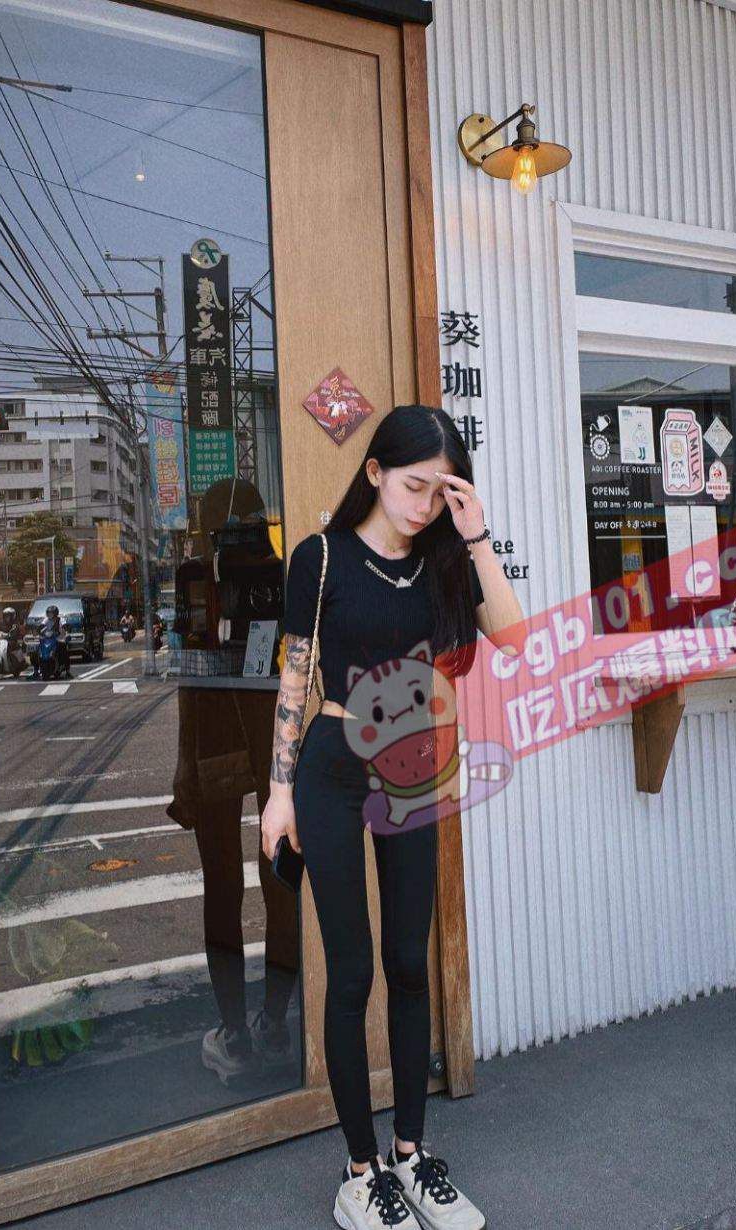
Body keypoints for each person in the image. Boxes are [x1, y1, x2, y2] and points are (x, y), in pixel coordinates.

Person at [263, 405, 519, 1230]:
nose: (422, 505)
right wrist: (278, 792)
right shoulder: (322, 557)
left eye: (437, 492)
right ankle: (360, 1170)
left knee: (412, 961)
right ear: (373, 472)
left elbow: (511, 636)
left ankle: (411, 1155)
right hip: (334, 771)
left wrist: (475, 533)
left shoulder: (446, 562)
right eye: (412, 486)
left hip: (416, 768)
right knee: (354, 970)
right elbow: (295, 679)